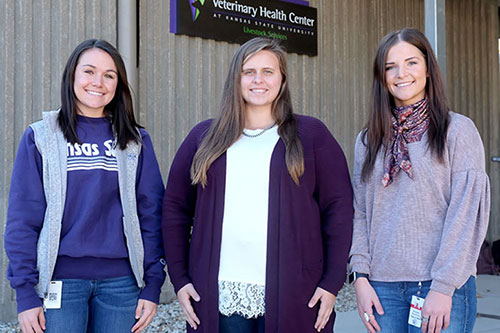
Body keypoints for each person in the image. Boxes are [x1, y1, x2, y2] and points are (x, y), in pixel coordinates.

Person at [162, 37, 353, 333]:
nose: (258, 80)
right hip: (220, 296)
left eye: (268, 71)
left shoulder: (311, 135)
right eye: (248, 71)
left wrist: (332, 282)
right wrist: (180, 278)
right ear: (235, 78)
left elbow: (339, 211)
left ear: (282, 79)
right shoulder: (204, 137)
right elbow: (174, 208)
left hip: (295, 293)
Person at [4, 39, 166, 333]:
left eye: (109, 75)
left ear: (118, 84)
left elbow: (152, 214)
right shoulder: (41, 137)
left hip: (122, 284)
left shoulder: (134, 140)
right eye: (89, 71)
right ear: (73, 76)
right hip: (60, 281)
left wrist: (153, 283)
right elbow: (23, 218)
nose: (98, 82)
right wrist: (26, 293)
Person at [349, 28, 490, 333]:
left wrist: (443, 286)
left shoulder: (458, 131)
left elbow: (466, 215)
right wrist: (360, 276)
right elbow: (359, 212)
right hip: (382, 288)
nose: (402, 73)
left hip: (440, 286)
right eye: (390, 66)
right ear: (381, 76)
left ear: (428, 68)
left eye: (411, 62)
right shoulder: (367, 140)